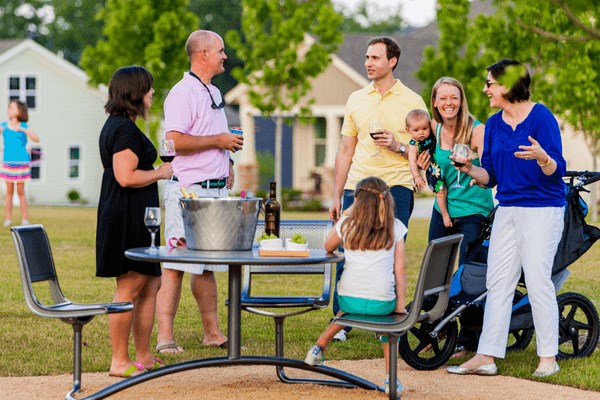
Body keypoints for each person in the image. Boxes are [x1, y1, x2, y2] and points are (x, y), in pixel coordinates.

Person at [447, 60, 566, 378]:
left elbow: (558, 170)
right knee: (497, 282)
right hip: (508, 209)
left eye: (490, 83)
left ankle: (548, 358)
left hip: (542, 209)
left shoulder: (542, 117)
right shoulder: (494, 124)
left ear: (508, 85)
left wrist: (543, 158)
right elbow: (492, 176)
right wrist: (470, 169)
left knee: (538, 280)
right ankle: (486, 356)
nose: (485, 89)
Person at [328, 36, 427, 342]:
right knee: (347, 251)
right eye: (367, 58)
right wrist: (336, 194)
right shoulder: (356, 99)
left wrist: (398, 146)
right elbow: (346, 148)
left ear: (392, 61)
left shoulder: (412, 101)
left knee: (389, 252)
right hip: (358, 186)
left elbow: (424, 149)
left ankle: (385, 318)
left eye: (375, 58)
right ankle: (342, 320)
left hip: (397, 186)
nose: (368, 63)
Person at [155, 30, 243, 354]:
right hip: (187, 192)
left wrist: (227, 159)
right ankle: (165, 336)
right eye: (220, 51)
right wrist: (219, 142)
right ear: (203, 54)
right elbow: (175, 141)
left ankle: (212, 333)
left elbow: (211, 135)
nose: (225, 56)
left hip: (215, 193)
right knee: (176, 263)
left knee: (205, 264)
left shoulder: (212, 92)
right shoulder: (182, 93)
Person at [96, 65, 173, 377]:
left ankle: (143, 355)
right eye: (148, 87)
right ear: (135, 92)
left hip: (137, 215)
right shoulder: (124, 130)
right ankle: (119, 361)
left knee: (150, 283)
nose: (152, 92)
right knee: (130, 285)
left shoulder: (120, 125)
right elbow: (125, 177)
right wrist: (161, 172)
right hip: (125, 216)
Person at [305, 176, 407, 395]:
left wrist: (346, 213)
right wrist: (399, 305)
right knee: (387, 327)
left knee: (348, 308)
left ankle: (319, 346)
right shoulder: (396, 227)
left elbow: (328, 246)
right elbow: (400, 270)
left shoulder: (346, 224)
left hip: (348, 299)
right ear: (386, 200)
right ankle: (391, 378)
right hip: (383, 302)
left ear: (357, 201)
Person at [418, 77, 495, 356]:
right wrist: (420, 164)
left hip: (473, 211)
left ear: (461, 101)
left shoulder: (477, 130)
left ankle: (468, 339)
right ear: (435, 103)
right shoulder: (433, 130)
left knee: (468, 276)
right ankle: (431, 331)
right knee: (434, 271)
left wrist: (471, 163)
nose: (449, 103)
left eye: (454, 97)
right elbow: (419, 155)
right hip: (444, 211)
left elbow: (489, 169)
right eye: (443, 98)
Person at [406, 109, 451, 226]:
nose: (421, 132)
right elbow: (412, 161)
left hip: (446, 166)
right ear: (408, 130)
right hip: (433, 171)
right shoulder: (413, 145)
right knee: (441, 192)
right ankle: (445, 215)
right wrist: (416, 177)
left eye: (424, 129)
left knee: (450, 190)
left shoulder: (434, 134)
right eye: (416, 130)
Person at [1, 100, 40, 227]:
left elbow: (36, 139)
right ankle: (8, 218)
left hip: (21, 163)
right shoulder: (4, 125)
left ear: (20, 111)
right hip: (8, 162)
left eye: (12, 108)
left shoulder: (24, 125)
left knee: (21, 191)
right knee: (9, 192)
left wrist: (25, 130)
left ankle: (24, 219)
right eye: (9, 107)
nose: (9, 109)